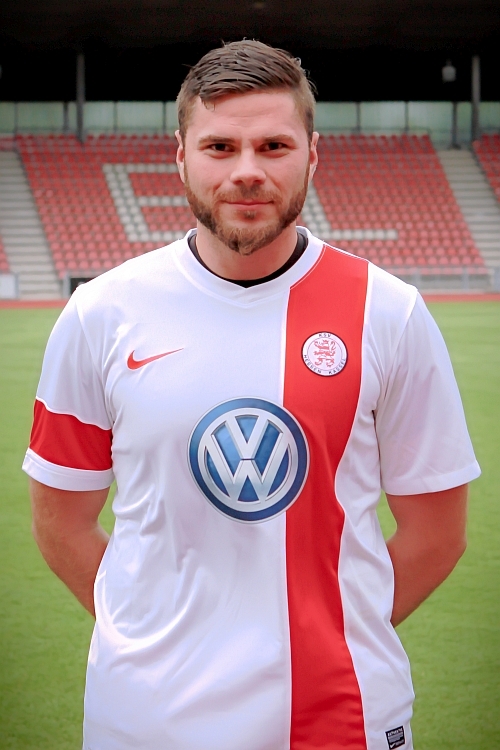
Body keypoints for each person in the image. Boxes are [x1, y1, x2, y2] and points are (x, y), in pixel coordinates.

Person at [24, 40, 480, 750]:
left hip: (340, 716)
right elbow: (61, 523)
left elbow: (437, 534)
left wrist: (330, 632)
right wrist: (147, 632)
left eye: (273, 146)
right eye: (220, 147)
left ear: (312, 155)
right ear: (181, 157)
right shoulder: (100, 314)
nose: (246, 171)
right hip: (145, 719)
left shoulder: (389, 313)